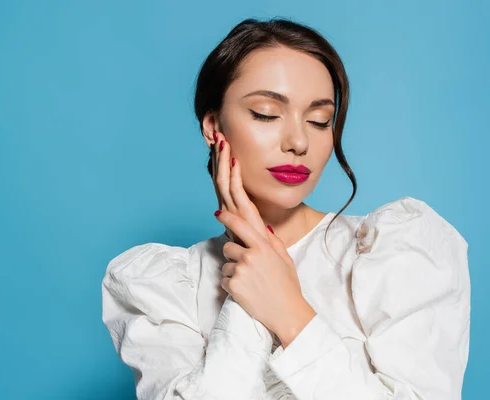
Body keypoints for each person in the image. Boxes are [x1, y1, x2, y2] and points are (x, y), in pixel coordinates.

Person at [101, 17, 470, 400]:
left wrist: (291, 313)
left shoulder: (400, 251)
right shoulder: (162, 289)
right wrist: (253, 271)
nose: (298, 141)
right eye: (265, 113)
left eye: (319, 120)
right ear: (213, 127)